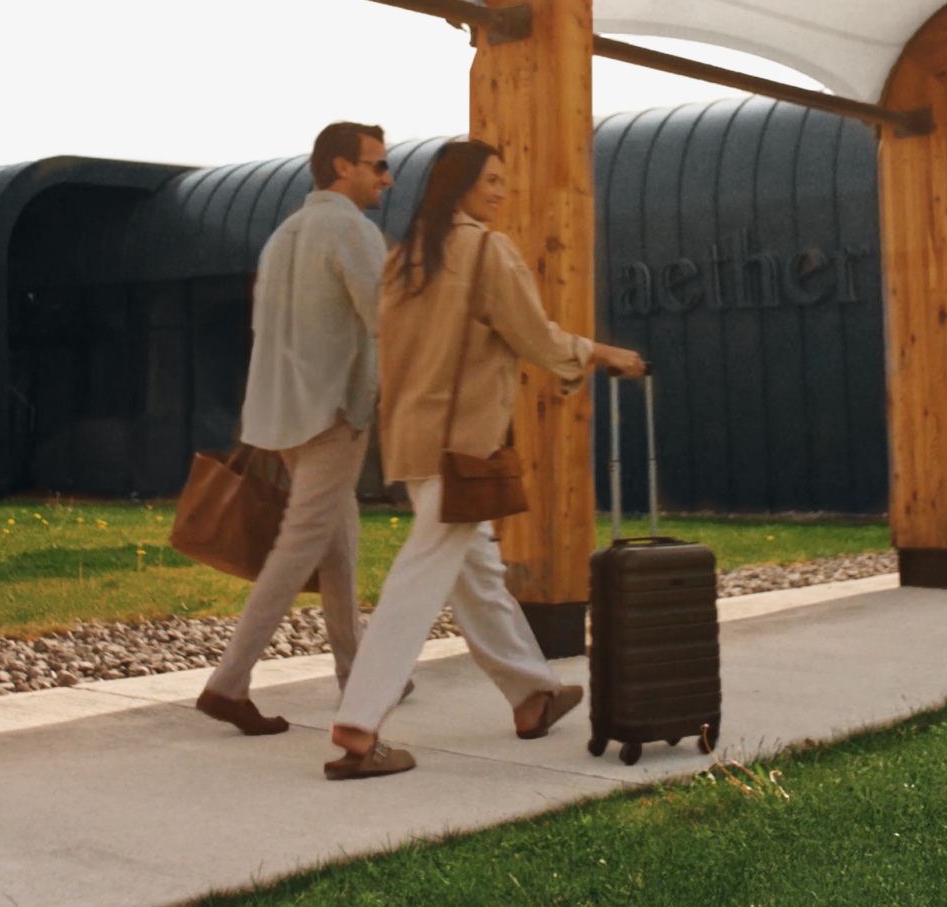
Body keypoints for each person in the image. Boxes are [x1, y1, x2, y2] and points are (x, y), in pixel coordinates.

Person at [324, 139, 645, 780]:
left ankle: (532, 694)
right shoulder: (485, 250)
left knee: (477, 574)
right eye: (492, 180)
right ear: (462, 185)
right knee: (417, 583)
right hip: (461, 447)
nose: (502, 191)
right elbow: (534, 335)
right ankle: (359, 723)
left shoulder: (404, 259)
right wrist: (602, 353)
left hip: (414, 442)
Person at [194, 121, 392, 736]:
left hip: (281, 418)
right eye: (378, 165)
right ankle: (228, 683)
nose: (387, 178)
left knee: (337, 545)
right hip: (332, 414)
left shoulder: (283, 235)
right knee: (300, 545)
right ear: (342, 167)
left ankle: (357, 673)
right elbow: (387, 320)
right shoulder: (352, 231)